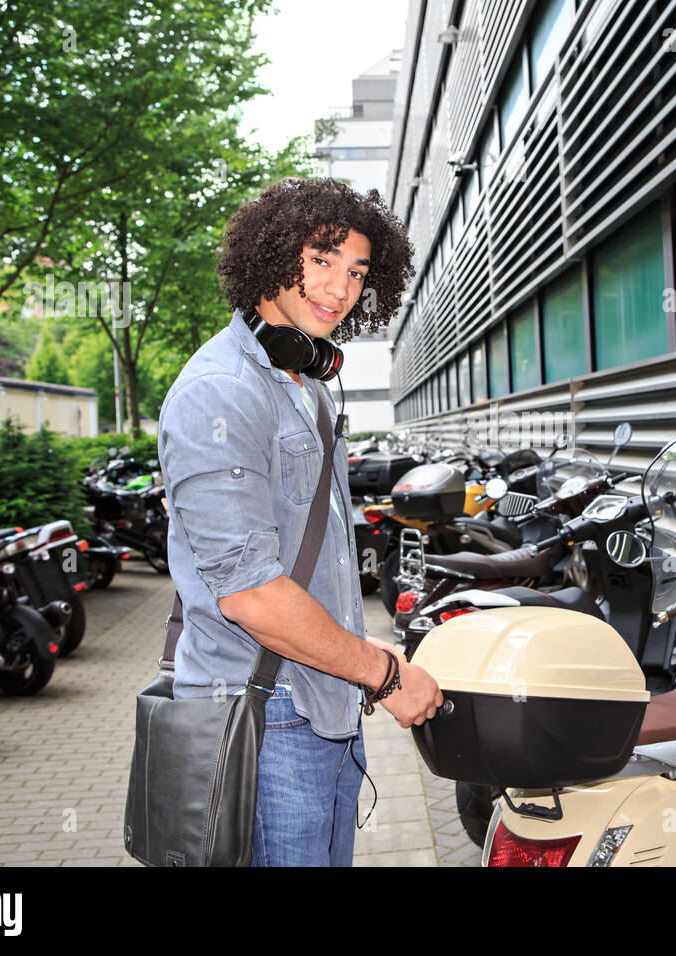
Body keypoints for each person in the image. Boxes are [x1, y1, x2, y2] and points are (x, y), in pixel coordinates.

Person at [157, 178, 440, 867]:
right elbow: (251, 592)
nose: (339, 289)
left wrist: (370, 662)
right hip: (266, 716)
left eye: (356, 272)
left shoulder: (303, 382)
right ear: (271, 254)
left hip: (325, 700)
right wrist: (386, 677)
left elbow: (317, 562)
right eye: (321, 259)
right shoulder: (219, 393)